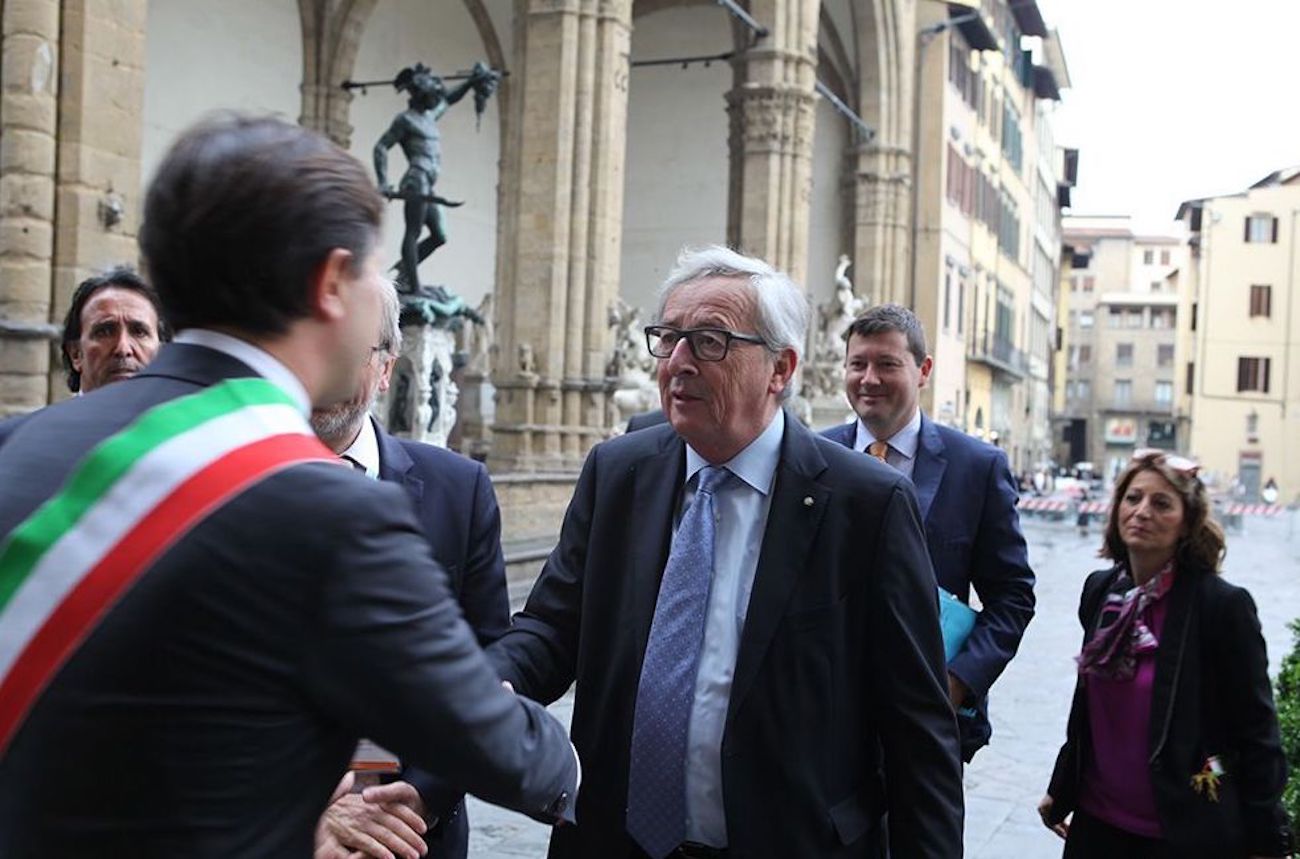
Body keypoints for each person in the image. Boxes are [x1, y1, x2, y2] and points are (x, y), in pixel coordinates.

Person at [0, 115, 577, 857]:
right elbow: (497, 745)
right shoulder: (329, 509)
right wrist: (575, 767)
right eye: (375, 270)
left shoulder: (21, 446)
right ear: (330, 284)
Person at [489, 246, 964, 858]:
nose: (678, 363)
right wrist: (495, 682)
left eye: (710, 341)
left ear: (780, 369)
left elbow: (917, 729)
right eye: (668, 338)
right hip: (614, 840)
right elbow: (554, 626)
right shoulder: (620, 472)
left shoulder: (866, 504)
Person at [312, 280, 510, 859]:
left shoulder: (459, 490)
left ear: (385, 369)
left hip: (414, 832)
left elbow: (487, 665)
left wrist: (416, 799)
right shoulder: (234, 483)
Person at [1039, 449, 1292, 858]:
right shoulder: (1101, 592)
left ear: (1187, 522)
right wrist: (1062, 787)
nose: (1141, 512)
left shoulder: (1221, 606)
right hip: (1096, 828)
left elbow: (1257, 731)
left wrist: (1266, 841)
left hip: (1183, 834)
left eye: (1161, 503)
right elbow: (1088, 711)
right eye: (1132, 498)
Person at [821, 303, 1035, 761]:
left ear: (923, 371)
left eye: (887, 364)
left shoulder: (976, 468)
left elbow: (1013, 596)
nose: (869, 378)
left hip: (927, 726)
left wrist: (957, 683)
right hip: (823, 719)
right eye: (858, 364)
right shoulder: (812, 457)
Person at [0, 266, 170, 445]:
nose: (123, 348)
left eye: (139, 332)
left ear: (162, 351)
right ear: (76, 354)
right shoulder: (17, 440)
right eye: (105, 331)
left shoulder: (186, 446)